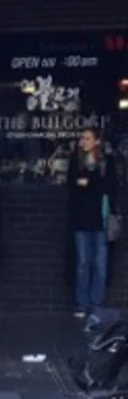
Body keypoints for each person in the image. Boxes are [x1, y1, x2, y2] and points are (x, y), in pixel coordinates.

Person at [68, 127, 117, 319]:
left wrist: (88, 182)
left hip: (100, 217)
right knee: (83, 262)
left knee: (99, 262)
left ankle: (96, 304)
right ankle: (82, 304)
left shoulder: (106, 161)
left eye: (88, 138)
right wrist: (93, 183)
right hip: (81, 218)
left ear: (97, 141)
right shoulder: (76, 161)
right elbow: (72, 183)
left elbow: (109, 185)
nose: (84, 141)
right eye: (82, 138)